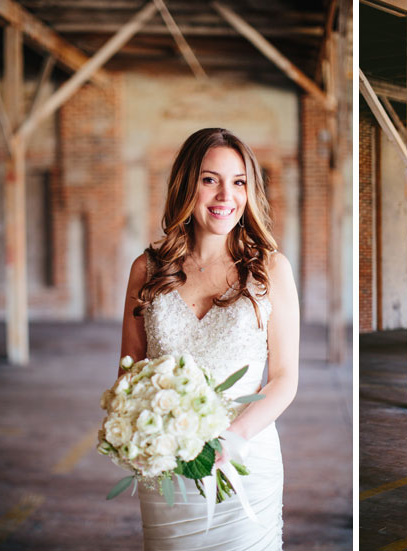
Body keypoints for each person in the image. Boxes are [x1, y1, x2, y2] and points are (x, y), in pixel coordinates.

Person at [119, 128, 299, 550]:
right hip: (169, 468)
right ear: (186, 185)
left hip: (246, 463)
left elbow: (285, 377)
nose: (225, 196)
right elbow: (130, 374)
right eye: (209, 179)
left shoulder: (270, 269)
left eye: (239, 182)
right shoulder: (146, 270)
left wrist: (232, 438)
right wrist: (151, 439)